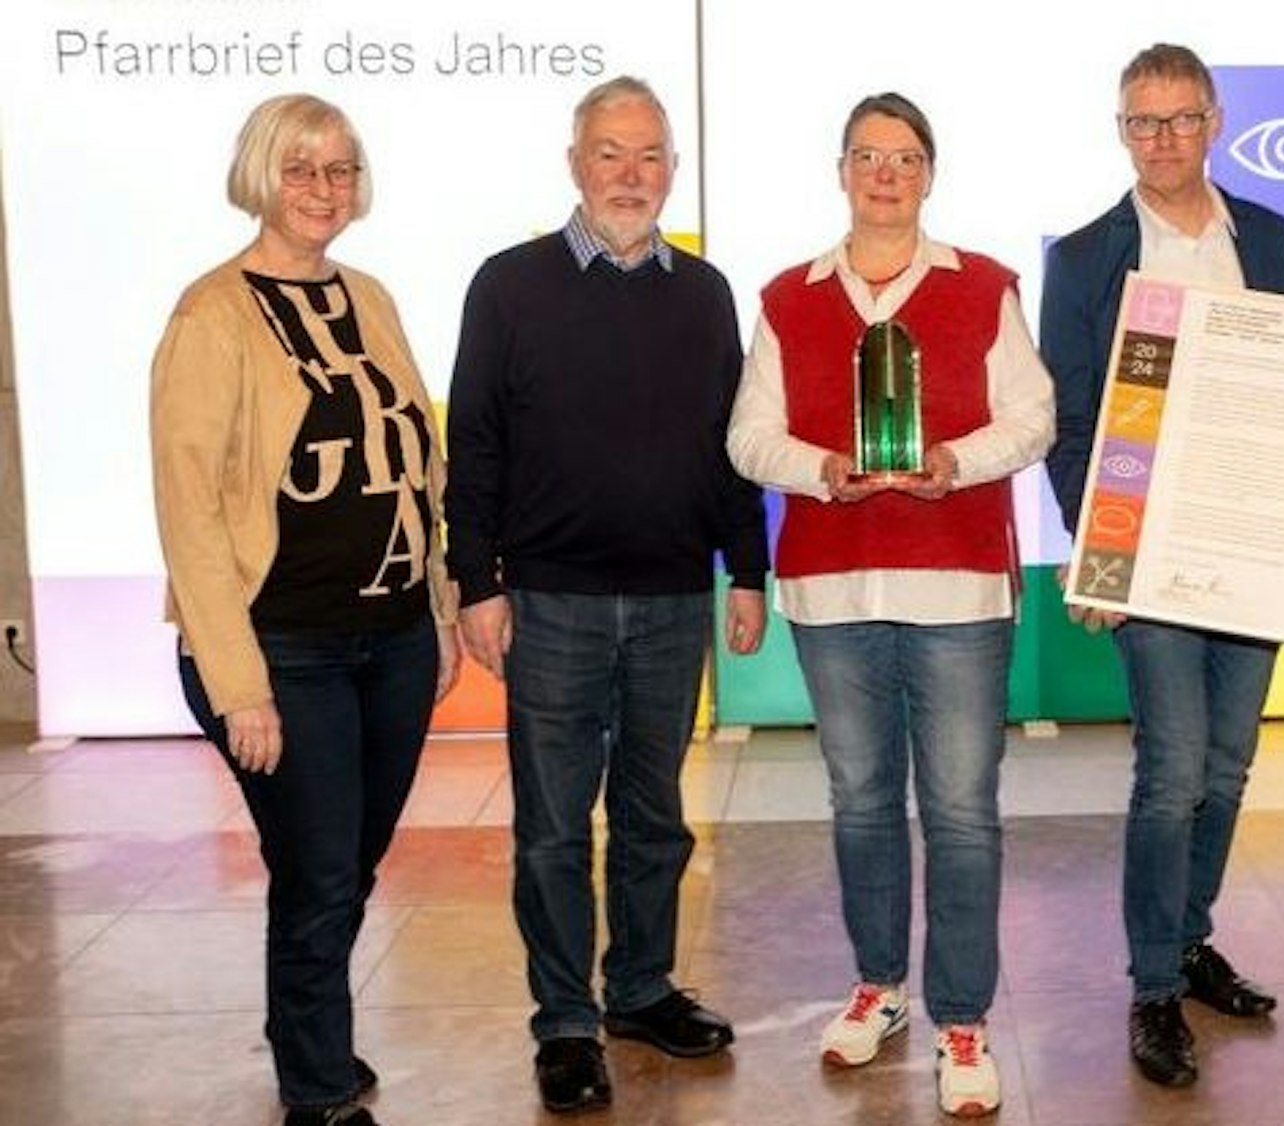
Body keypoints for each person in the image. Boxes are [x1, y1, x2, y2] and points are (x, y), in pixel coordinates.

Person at [444, 75, 769, 1115]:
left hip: (674, 599)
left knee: (652, 817)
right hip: (548, 604)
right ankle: (565, 1023)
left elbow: (730, 446)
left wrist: (747, 568)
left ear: (671, 169)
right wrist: (474, 581)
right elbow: (475, 447)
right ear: (575, 163)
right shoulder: (507, 284)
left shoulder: (706, 291)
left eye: (649, 156)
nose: (630, 175)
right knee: (549, 827)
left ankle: (636, 990)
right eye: (609, 154)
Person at [727, 91, 1053, 1118]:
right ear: (840, 171)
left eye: (904, 157)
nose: (884, 173)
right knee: (861, 803)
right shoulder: (786, 296)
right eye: (867, 155)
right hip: (832, 585)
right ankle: (879, 985)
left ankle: (961, 1013)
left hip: (956, 579)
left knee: (959, 811)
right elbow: (747, 437)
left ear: (928, 173)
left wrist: (955, 461)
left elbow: (1034, 418)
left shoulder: (983, 286)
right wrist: (820, 469)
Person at [151, 93, 459, 1126]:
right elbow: (190, 513)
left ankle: (307, 1034)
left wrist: (441, 605)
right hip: (280, 650)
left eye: (341, 168)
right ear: (260, 176)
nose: (324, 189)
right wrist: (240, 685)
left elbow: (422, 461)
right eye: (300, 169)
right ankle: (318, 1088)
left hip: (394, 638)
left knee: (346, 863)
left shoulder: (367, 295)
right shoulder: (211, 315)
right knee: (320, 869)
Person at [1043, 43, 1284, 1090]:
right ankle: (1153, 985)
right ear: (1119, 131)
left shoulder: (1267, 233)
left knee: (1225, 766)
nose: (1160, 140)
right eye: (1140, 122)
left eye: (1178, 120)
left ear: (1214, 122)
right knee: (1169, 774)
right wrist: (1097, 559)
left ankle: (1190, 935)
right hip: (1148, 554)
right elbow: (1072, 422)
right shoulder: (1083, 257)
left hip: (1249, 544)